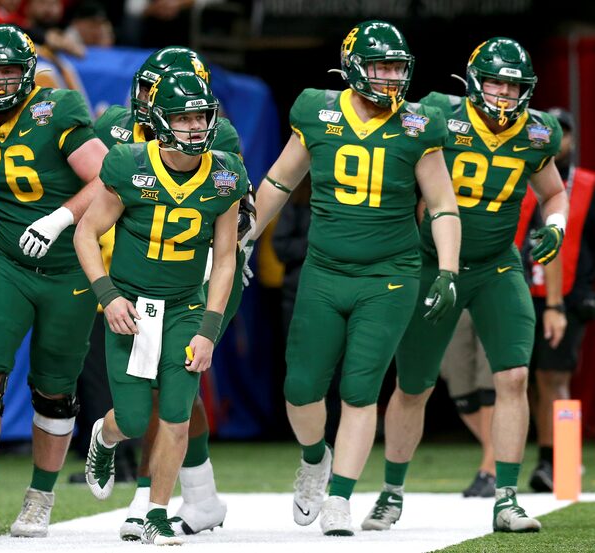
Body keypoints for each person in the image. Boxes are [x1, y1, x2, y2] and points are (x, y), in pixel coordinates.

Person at [252, 20, 461, 536]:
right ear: (352, 69)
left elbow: (442, 203)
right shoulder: (316, 111)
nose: (390, 78)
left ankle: (341, 497)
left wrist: (449, 268)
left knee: (360, 389)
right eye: (380, 66)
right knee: (300, 388)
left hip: (390, 274)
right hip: (324, 271)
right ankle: (313, 459)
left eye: (397, 67)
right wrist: (244, 235)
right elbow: (281, 178)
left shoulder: (420, 123)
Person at [363, 37, 568, 534]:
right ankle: (391, 492)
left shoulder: (539, 132)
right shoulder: (438, 114)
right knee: (414, 386)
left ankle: (507, 498)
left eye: (513, 85)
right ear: (475, 81)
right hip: (432, 264)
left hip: (498, 265)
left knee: (515, 377)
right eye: (496, 81)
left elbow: (554, 191)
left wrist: (556, 224)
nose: (503, 94)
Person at [0, 24, 108, 538]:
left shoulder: (56, 110)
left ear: (28, 73)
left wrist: (59, 218)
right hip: (9, 264)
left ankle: (40, 497)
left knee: (55, 391)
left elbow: (108, 176)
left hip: (68, 271)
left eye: (7, 71)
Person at [75, 69, 247, 546]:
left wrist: (209, 328)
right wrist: (107, 296)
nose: (194, 126)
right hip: (130, 306)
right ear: (159, 119)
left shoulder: (226, 173)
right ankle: (103, 437)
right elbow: (85, 234)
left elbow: (227, 258)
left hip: (185, 306)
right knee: (131, 419)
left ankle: (156, 512)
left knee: (175, 412)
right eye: (184, 117)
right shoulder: (129, 164)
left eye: (201, 116)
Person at [516, 107, 594, 492]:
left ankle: (562, 463)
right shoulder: (520, 175)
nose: (558, 139)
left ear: (573, 139)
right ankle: (546, 457)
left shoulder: (587, 186)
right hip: (519, 291)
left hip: (566, 297)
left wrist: (578, 298)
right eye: (551, 131)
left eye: (564, 132)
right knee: (522, 380)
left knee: (556, 378)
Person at [438, 310, 497, 497]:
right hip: (452, 297)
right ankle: (503, 454)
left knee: (491, 382)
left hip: (492, 288)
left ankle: (490, 470)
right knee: (461, 390)